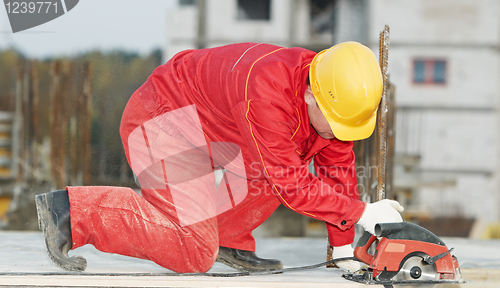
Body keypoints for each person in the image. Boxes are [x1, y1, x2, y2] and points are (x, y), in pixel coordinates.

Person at [35, 41, 404, 274]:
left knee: (282, 164)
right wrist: (363, 213)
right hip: (162, 122)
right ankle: (71, 212)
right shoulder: (267, 93)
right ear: (310, 94)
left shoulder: (332, 94)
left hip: (212, 131)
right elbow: (293, 185)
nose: (341, 135)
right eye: (337, 124)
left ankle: (226, 237)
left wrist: (342, 248)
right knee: (193, 253)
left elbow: (336, 171)